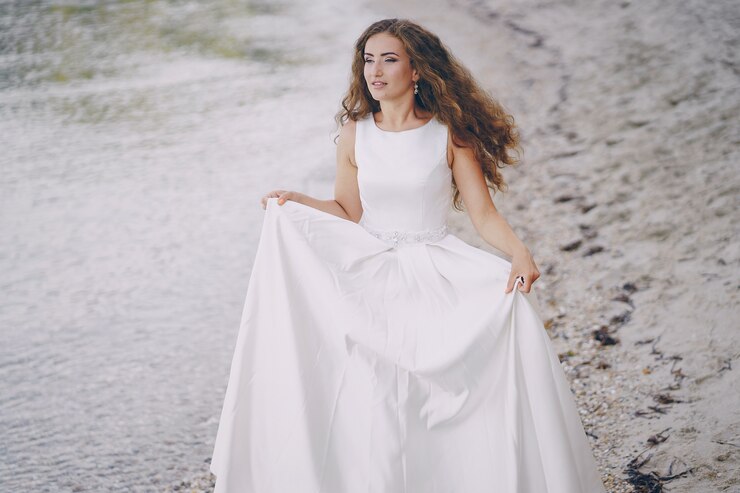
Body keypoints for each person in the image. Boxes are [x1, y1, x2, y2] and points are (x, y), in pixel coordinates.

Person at [209, 18, 607, 493]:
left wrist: (520, 252)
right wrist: (297, 202)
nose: (375, 71)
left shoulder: (448, 134)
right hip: (371, 272)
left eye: (389, 59)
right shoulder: (356, 134)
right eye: (369, 60)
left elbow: (482, 214)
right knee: (374, 394)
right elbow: (347, 210)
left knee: (442, 385)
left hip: (434, 270)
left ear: (416, 70)